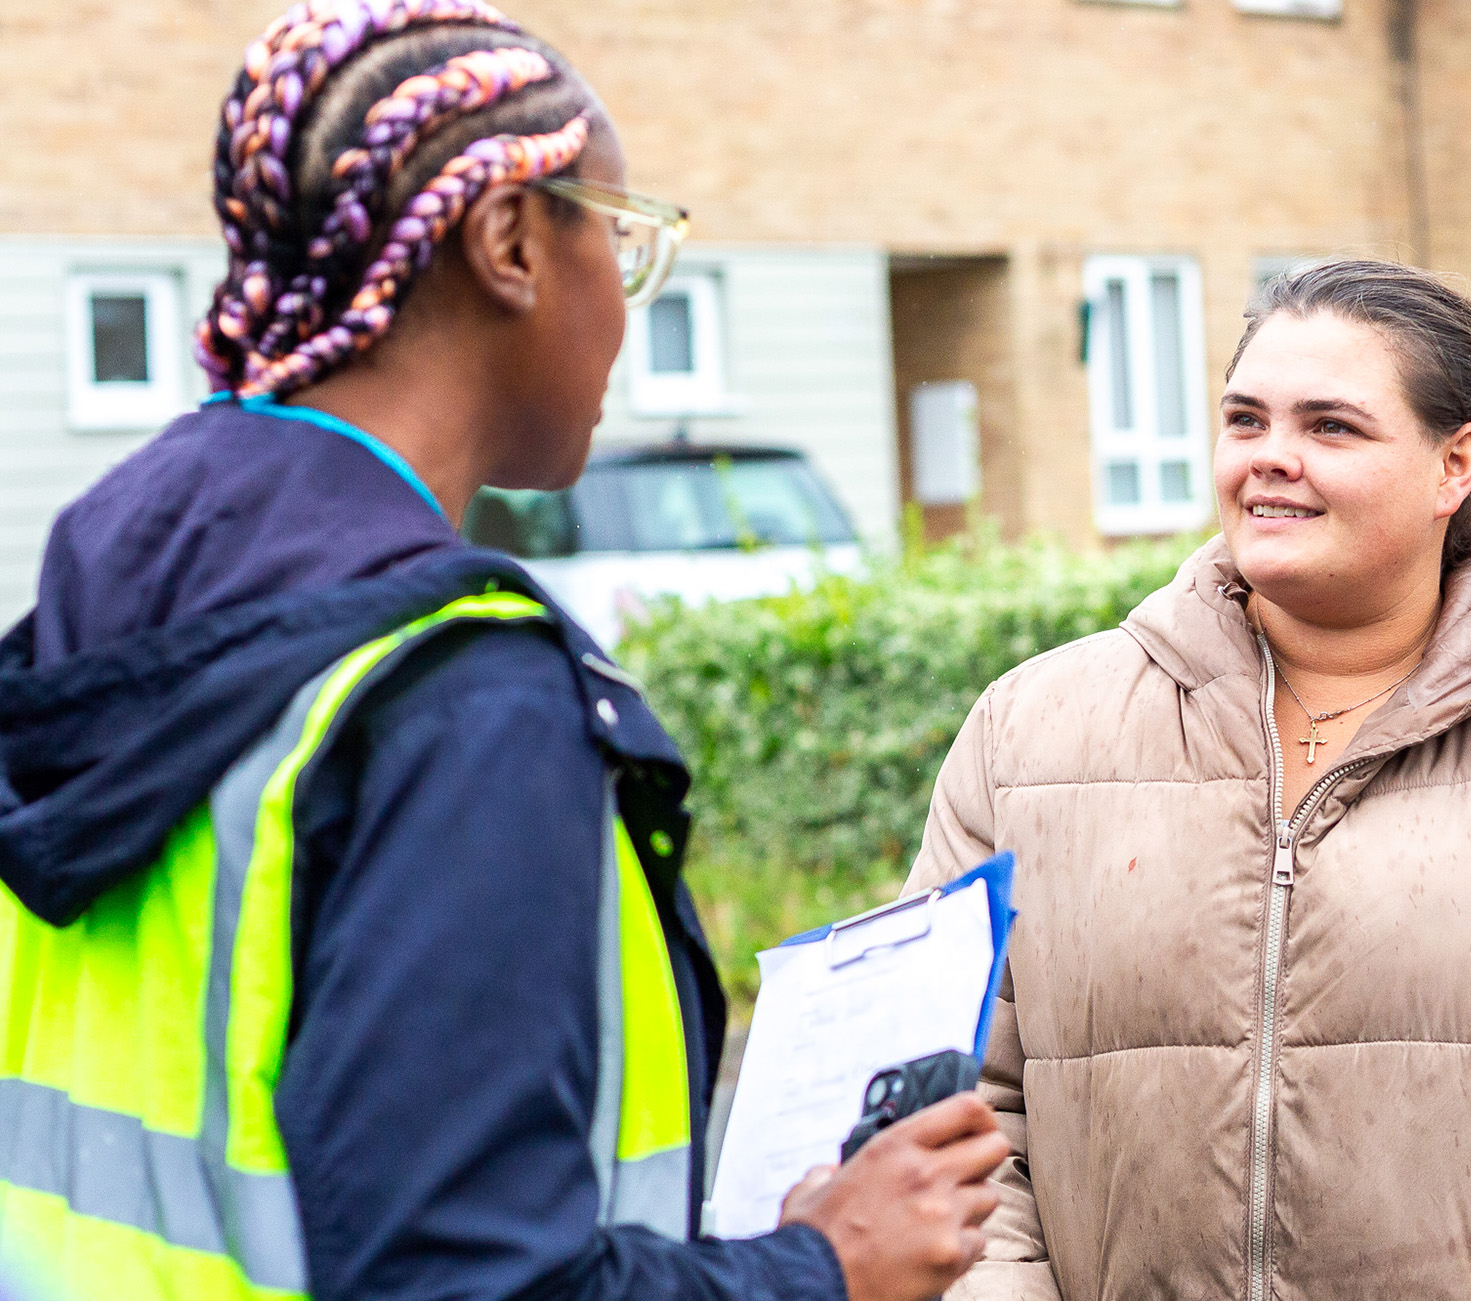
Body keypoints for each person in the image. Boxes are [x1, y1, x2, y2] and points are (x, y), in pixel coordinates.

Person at [0, 5, 1005, 1299]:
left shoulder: (107, 607)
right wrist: (823, 1265)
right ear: (514, 244)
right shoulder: (454, 696)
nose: (627, 312)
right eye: (622, 238)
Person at [906, 259, 1471, 1299]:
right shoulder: (1032, 731)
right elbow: (939, 1115)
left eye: (1329, 426)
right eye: (1244, 420)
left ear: (1454, 465)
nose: (1270, 459)